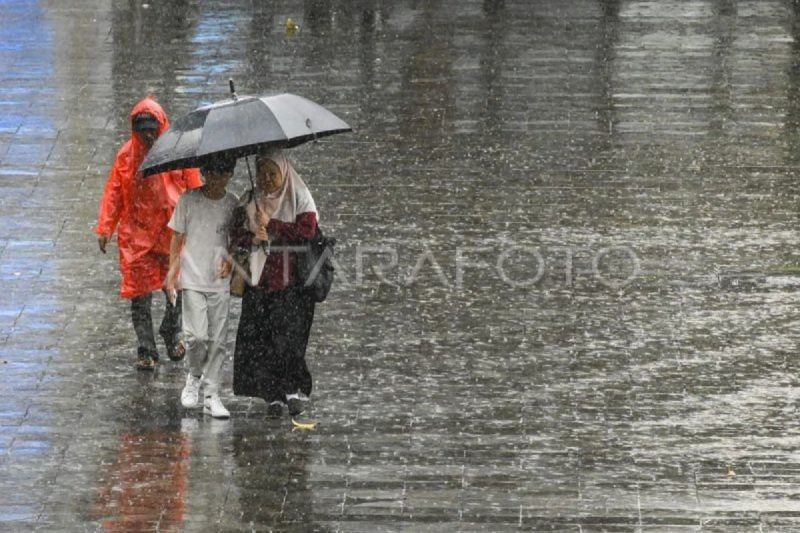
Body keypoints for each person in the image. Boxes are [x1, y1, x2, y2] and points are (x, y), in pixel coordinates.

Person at [95, 97, 202, 371]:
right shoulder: (127, 156)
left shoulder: (177, 152)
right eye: (142, 129)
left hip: (170, 232)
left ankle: (172, 330)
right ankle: (146, 348)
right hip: (138, 235)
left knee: (176, 285)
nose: (148, 135)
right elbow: (115, 193)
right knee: (140, 294)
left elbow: (194, 186)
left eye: (151, 128)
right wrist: (106, 226)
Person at [229, 149, 318, 418]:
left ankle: (292, 390)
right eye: (262, 174)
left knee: (289, 339)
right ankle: (272, 395)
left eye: (272, 174)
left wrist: (275, 225)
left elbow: (308, 231)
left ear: (284, 172)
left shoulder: (299, 195)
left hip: (293, 282)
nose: (267, 180)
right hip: (260, 282)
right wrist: (253, 235)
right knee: (261, 341)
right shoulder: (249, 200)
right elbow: (235, 237)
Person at [166, 154, 238, 419]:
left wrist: (230, 258)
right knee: (196, 337)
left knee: (217, 340)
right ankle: (194, 375)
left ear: (230, 175)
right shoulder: (188, 201)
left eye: (225, 173)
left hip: (219, 281)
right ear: (205, 173)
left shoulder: (233, 204)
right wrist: (172, 273)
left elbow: (237, 239)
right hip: (193, 278)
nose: (218, 180)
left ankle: (212, 394)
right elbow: (177, 236)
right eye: (214, 173)